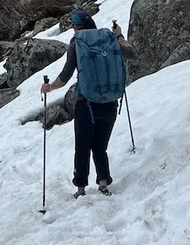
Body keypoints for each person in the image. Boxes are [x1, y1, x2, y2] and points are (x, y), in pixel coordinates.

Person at [40, 10, 133, 197]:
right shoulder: (109, 38)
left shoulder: (77, 43)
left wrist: (49, 88)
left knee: (82, 147)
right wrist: (120, 35)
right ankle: (103, 184)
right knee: (100, 146)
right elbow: (130, 53)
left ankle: (81, 189)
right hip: (110, 103)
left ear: (76, 26)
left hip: (87, 104)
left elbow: (65, 76)